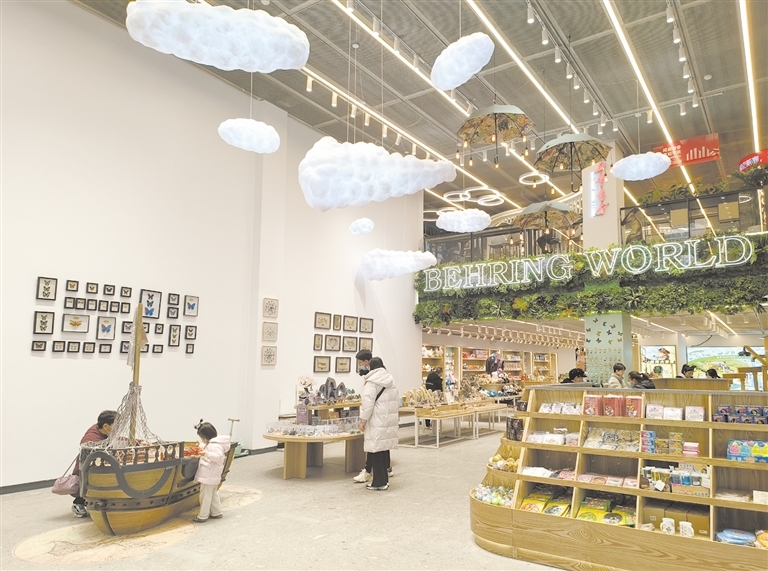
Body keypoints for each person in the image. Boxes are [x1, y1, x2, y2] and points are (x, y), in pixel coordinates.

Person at [358, 357, 399, 491]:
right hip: (387, 419)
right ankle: (384, 480)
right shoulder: (390, 380)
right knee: (382, 449)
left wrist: (363, 420)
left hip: (376, 419)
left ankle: (379, 482)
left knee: (375, 450)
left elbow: (367, 404)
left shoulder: (371, 382)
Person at [71, 410, 116, 517]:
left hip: (98, 467)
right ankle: (78, 504)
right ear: (106, 426)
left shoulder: (104, 432)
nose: (119, 428)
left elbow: (120, 439)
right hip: (87, 471)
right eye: (117, 425)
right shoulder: (91, 438)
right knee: (89, 485)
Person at [192, 420, 231, 523]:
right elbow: (209, 449)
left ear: (205, 436)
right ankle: (216, 512)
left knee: (205, 496)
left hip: (208, 475)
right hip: (212, 475)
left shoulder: (215, 445)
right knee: (213, 494)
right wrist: (201, 446)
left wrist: (206, 454)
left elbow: (217, 456)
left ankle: (202, 516)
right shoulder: (215, 444)